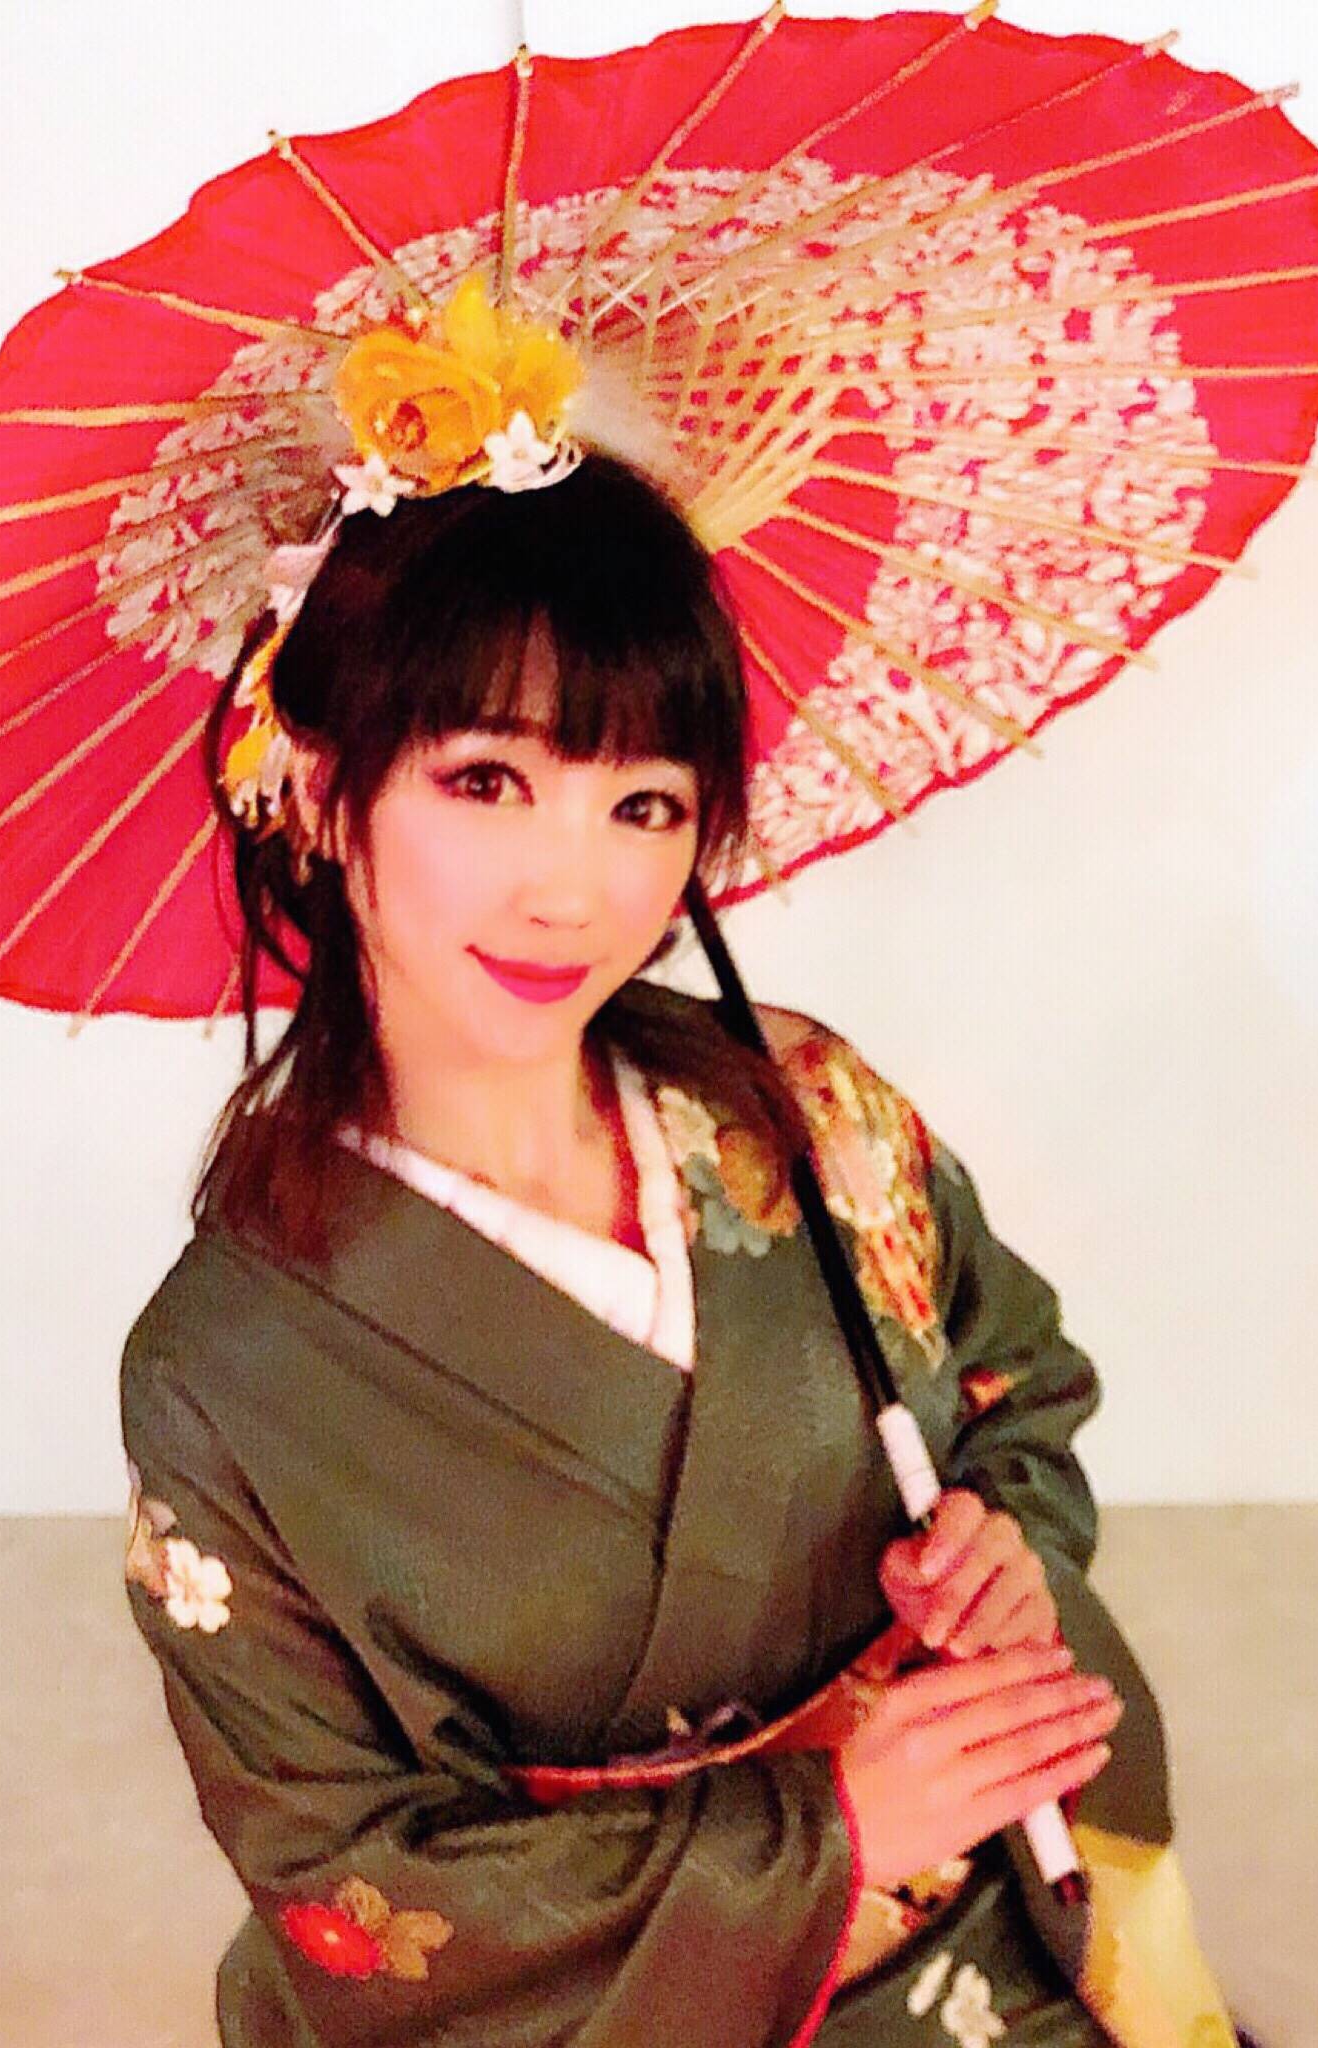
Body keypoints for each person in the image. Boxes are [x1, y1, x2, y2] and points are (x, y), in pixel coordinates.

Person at [117, 450, 1246, 2047]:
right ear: (316, 784)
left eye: (642, 804)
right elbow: (340, 1876)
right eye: (486, 780)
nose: (573, 890)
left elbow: (1018, 1380)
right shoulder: (222, 1372)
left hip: (997, 1924)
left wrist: (1001, 1543)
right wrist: (825, 1837)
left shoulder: (809, 1111)